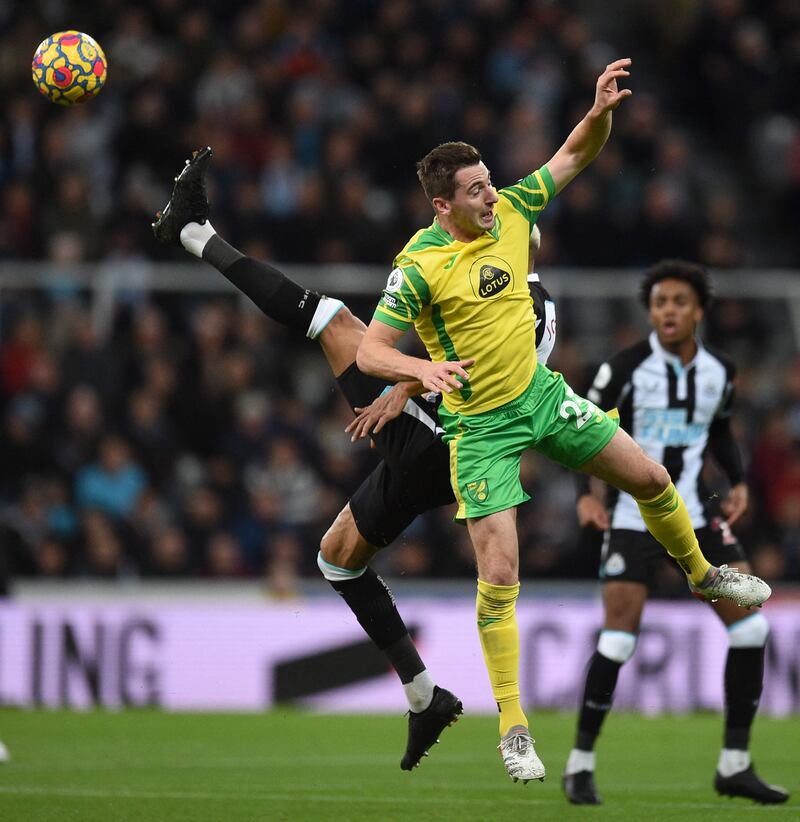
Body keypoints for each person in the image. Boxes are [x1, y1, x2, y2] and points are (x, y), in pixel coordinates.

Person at [355, 58, 771, 785]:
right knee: (501, 572)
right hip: (481, 429)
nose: (494, 195)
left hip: (543, 397)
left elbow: (573, 153)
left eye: (490, 183)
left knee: (649, 476)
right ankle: (513, 729)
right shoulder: (417, 266)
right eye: (477, 190)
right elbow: (369, 350)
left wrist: (599, 108)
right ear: (442, 205)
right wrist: (418, 373)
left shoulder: (514, 210)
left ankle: (706, 576)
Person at [151, 148, 555, 771]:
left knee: (333, 321)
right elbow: (453, 349)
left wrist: (404, 385)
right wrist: (407, 383)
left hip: (449, 446)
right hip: (427, 452)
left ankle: (191, 231)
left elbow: (492, 373)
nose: (501, 209)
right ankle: (424, 697)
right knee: (336, 559)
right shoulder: (485, 266)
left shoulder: (534, 305)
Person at [563, 260, 788, 806]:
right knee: (618, 637)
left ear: (698, 311)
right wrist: (587, 496)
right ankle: (580, 764)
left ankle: (734, 764)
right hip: (631, 518)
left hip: (698, 517)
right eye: (660, 302)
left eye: (678, 302)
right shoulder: (623, 367)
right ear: (651, 311)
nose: (668, 310)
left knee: (751, 630)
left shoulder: (720, 371)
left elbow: (720, 430)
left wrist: (736, 482)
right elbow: (579, 430)